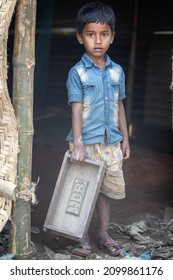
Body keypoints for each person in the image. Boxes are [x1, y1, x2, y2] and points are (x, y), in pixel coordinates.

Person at [66, 1, 130, 257]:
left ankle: (103, 234)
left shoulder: (117, 72)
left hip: (111, 143)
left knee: (104, 191)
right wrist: (78, 144)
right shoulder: (78, 73)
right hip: (87, 143)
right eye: (91, 34)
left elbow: (120, 106)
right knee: (81, 191)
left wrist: (125, 138)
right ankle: (81, 239)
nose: (98, 40)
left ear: (112, 36)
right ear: (80, 37)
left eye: (104, 34)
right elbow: (76, 108)